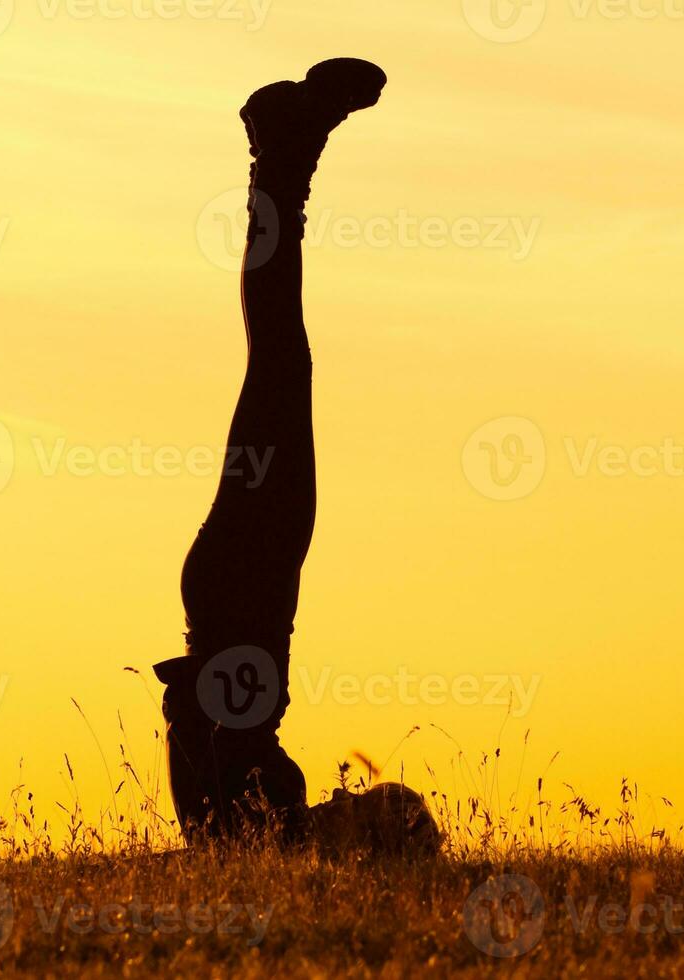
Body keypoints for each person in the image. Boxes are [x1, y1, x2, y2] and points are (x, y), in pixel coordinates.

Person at [152, 59, 439, 856]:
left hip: (247, 574)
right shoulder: (267, 822)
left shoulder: (267, 830)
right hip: (235, 580)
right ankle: (283, 159)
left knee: (281, 361)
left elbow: (209, 738)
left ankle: (283, 159)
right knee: (278, 361)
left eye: (378, 810)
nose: (357, 795)